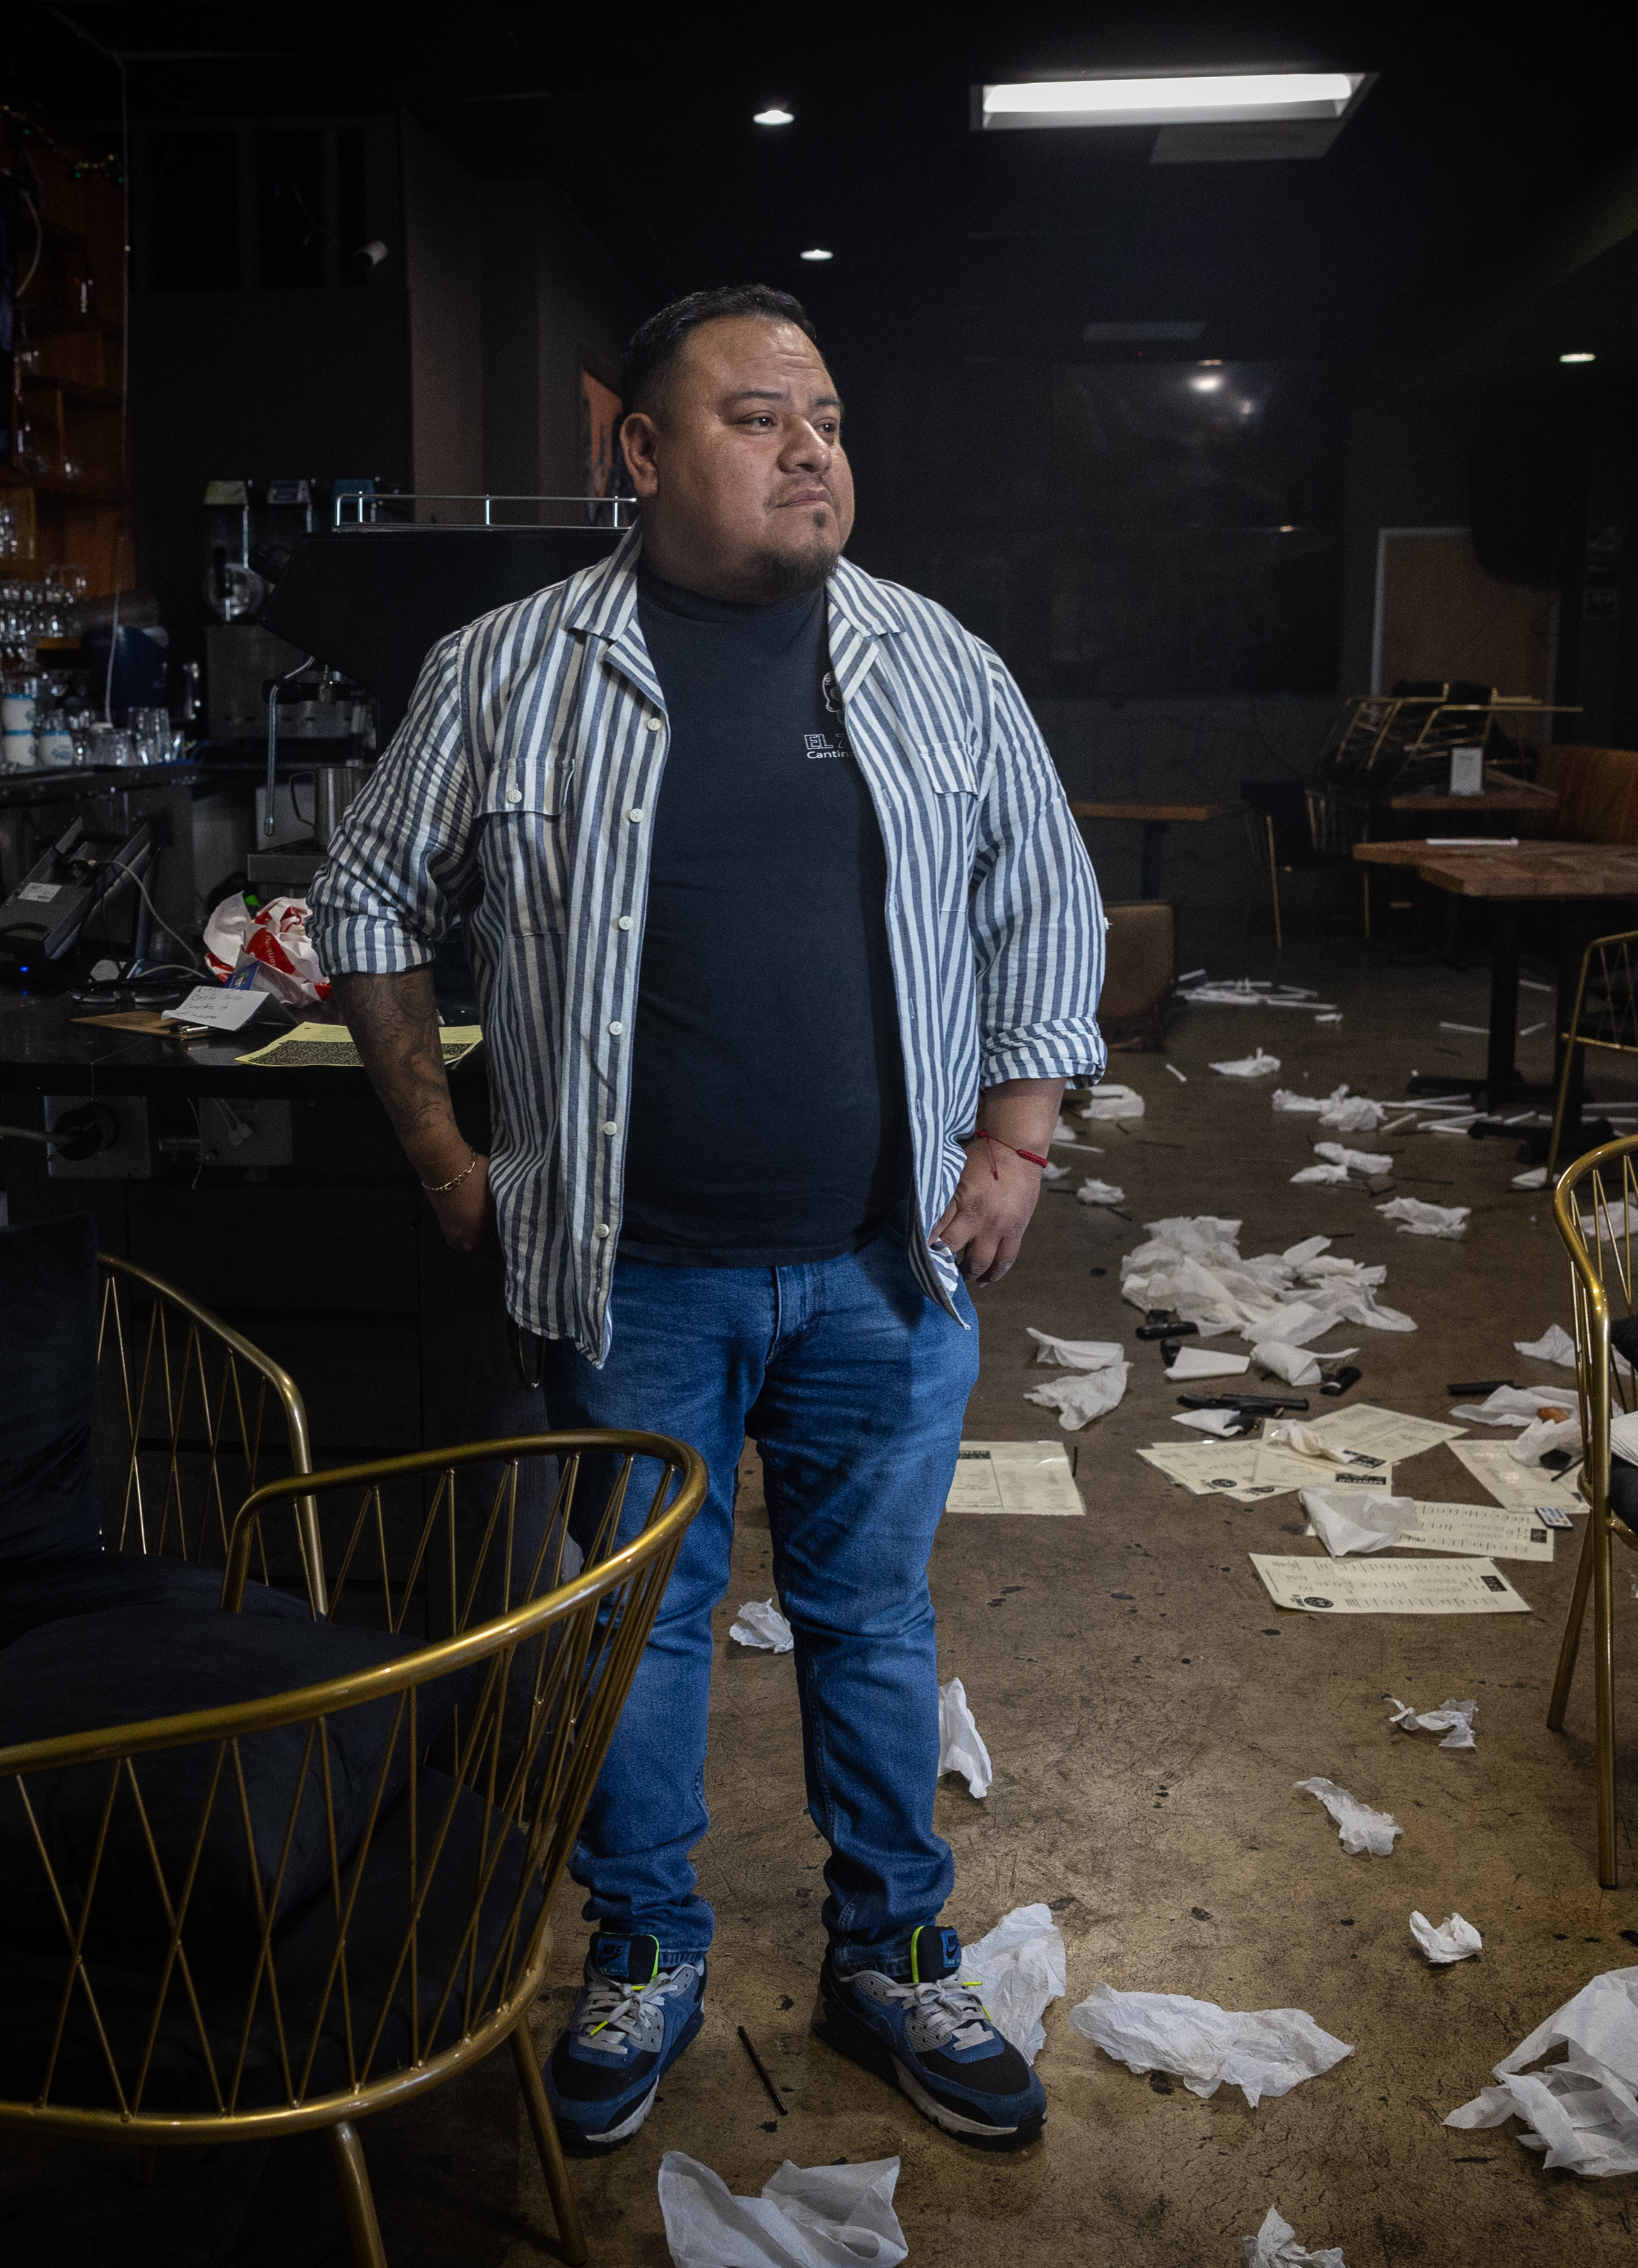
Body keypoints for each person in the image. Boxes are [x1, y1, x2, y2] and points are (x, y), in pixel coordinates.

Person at [312, 283, 1104, 2153]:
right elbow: (363, 900)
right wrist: (448, 1165)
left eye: (825, 413)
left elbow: (1044, 907)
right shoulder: (506, 668)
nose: (812, 445)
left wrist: (1015, 1147)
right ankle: (646, 1944)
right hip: (625, 1271)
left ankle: (891, 1948)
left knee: (873, 1617)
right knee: (641, 1630)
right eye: (758, 417)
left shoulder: (937, 662)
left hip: (881, 1266)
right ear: (645, 455)